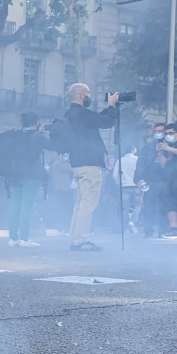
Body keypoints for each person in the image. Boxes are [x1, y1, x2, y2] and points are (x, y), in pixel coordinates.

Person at [64, 83, 119, 251]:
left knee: (81, 202)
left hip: (77, 163)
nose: (89, 97)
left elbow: (96, 120)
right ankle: (81, 240)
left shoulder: (70, 114)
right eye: (87, 93)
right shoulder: (82, 113)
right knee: (88, 203)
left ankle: (75, 238)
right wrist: (112, 106)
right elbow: (106, 122)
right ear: (81, 95)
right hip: (90, 163)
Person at [1, 112, 48, 247]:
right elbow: (52, 145)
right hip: (32, 175)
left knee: (16, 205)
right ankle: (25, 238)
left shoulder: (16, 136)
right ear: (36, 122)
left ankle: (13, 238)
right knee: (26, 206)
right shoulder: (37, 136)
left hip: (16, 175)